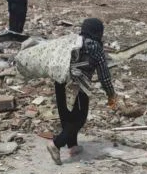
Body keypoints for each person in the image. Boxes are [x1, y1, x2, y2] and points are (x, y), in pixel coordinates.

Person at [46, 18, 117, 165]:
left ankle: (72, 146)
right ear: (98, 32)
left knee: (67, 116)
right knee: (79, 119)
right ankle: (56, 144)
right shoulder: (95, 47)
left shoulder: (73, 41)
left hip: (60, 81)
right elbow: (104, 75)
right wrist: (111, 94)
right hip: (77, 85)